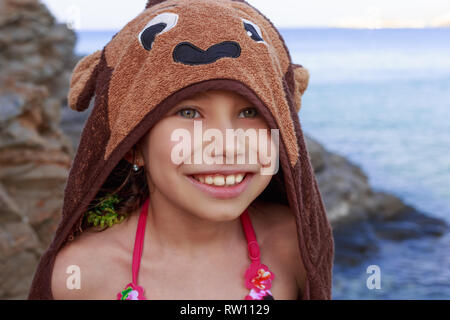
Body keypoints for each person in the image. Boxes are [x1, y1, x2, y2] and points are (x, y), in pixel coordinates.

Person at [28, 0, 334, 300]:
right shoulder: (80, 275)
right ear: (133, 144)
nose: (226, 146)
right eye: (188, 113)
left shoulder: (297, 248)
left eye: (250, 112)